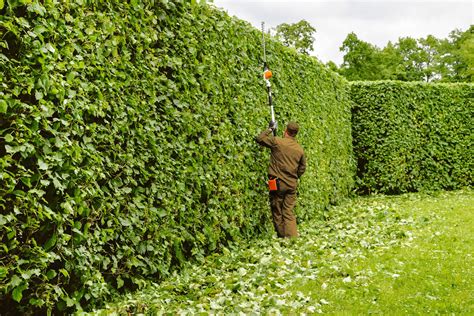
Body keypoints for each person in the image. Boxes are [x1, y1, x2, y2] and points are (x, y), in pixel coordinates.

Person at [255, 121, 306, 238]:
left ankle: (282, 237)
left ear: (285, 131)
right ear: (295, 134)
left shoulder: (277, 141)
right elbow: (302, 168)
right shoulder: (299, 149)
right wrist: (294, 176)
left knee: (276, 209)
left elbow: (259, 139)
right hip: (291, 185)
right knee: (288, 211)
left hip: (276, 183)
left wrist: (270, 129)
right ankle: (292, 238)